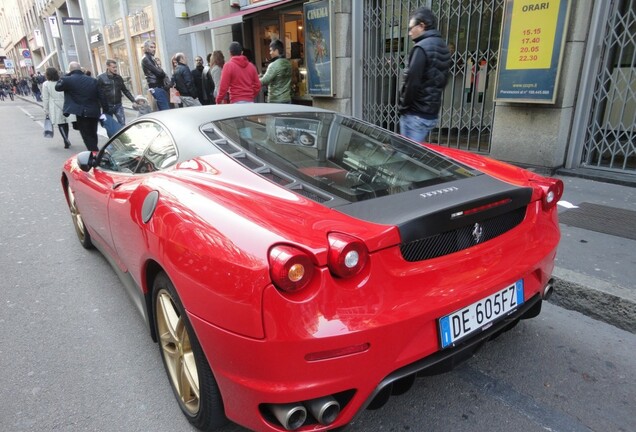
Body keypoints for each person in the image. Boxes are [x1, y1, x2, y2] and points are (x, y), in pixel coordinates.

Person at [398, 7, 451, 143]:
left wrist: (403, 107)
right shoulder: (443, 47)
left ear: (422, 25)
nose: (409, 33)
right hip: (431, 114)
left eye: (411, 28)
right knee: (417, 155)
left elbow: (412, 83)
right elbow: (443, 80)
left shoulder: (421, 48)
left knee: (407, 157)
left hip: (415, 114)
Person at [55, 62, 101, 152]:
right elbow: (101, 95)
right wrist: (105, 110)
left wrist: (68, 74)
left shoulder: (67, 80)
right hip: (94, 111)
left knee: (86, 135)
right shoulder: (93, 80)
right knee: (93, 133)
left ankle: (95, 153)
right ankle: (95, 150)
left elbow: (57, 87)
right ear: (80, 69)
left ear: (70, 70)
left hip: (81, 113)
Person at [41, 67, 76, 148]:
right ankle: (66, 138)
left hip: (55, 105)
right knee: (66, 122)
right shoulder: (62, 81)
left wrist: (45, 109)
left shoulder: (46, 84)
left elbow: (45, 98)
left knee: (60, 124)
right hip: (65, 103)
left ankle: (65, 139)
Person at [97, 59, 136, 127]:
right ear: (108, 67)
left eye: (116, 67)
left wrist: (133, 101)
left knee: (122, 125)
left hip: (118, 105)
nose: (115, 69)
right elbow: (98, 93)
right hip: (107, 106)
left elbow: (125, 90)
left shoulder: (118, 77)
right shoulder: (101, 78)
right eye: (113, 67)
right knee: (109, 126)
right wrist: (99, 106)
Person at [259, 39, 292, 104]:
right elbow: (279, 76)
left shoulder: (273, 65)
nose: (270, 53)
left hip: (276, 100)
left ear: (276, 51)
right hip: (287, 98)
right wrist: (262, 75)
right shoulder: (288, 63)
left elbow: (264, 81)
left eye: (271, 50)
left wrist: (254, 79)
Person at [141, 40, 170, 110]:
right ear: (146, 48)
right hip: (156, 87)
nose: (154, 49)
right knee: (165, 109)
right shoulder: (146, 58)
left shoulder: (150, 58)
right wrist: (162, 72)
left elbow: (160, 72)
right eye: (151, 47)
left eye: (154, 47)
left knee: (163, 109)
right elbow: (159, 73)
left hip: (158, 86)